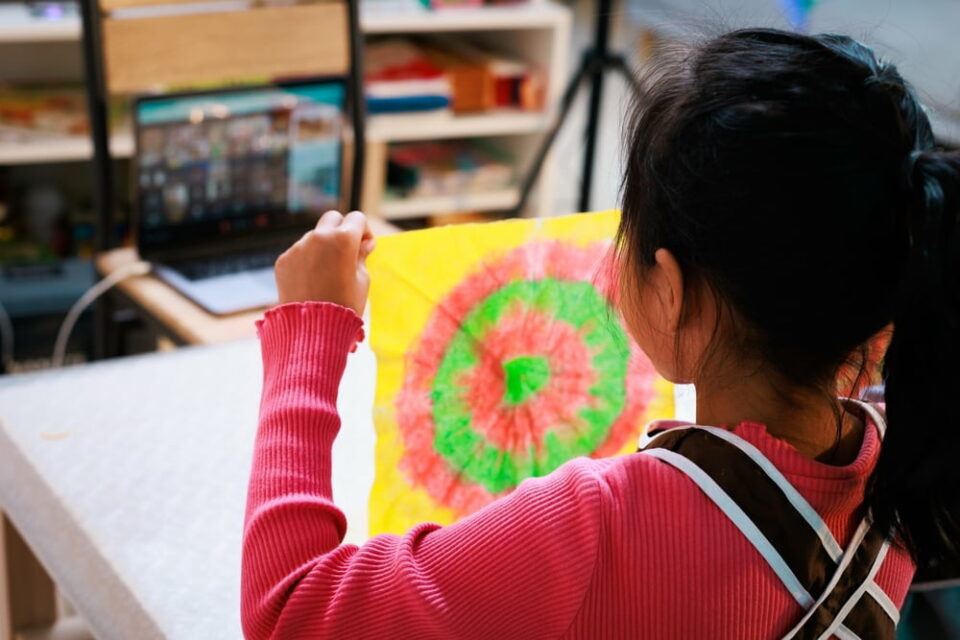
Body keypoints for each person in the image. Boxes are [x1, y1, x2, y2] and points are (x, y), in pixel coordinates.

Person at [241, 28, 960, 639]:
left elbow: (290, 613)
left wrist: (310, 332)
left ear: (673, 294)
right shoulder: (913, 460)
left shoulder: (592, 525)